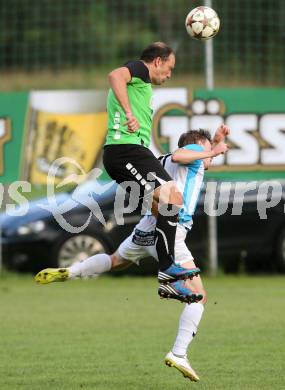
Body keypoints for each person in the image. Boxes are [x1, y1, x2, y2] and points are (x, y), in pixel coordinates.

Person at [35, 125, 229, 381]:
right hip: (172, 233)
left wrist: (213, 145)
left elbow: (185, 160)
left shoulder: (160, 162)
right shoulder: (189, 154)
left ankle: (72, 272)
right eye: (206, 152)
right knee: (199, 297)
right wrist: (211, 149)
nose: (209, 159)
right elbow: (184, 155)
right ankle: (178, 353)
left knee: (116, 261)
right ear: (194, 146)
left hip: (147, 228)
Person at [102, 41, 199, 300]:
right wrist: (128, 112)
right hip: (126, 150)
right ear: (157, 61)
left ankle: (168, 273)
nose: (169, 75)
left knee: (162, 208)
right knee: (174, 198)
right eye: (169, 68)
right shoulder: (139, 71)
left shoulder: (142, 84)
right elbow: (115, 75)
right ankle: (167, 270)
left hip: (127, 152)